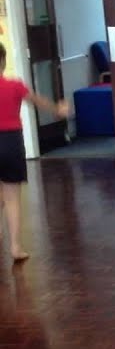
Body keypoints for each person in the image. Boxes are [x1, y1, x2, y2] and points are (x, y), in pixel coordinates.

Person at [0, 42, 69, 262]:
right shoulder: (15, 86)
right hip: (11, 142)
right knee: (11, 197)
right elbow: (38, 101)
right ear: (3, 62)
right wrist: (58, 109)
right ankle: (15, 247)